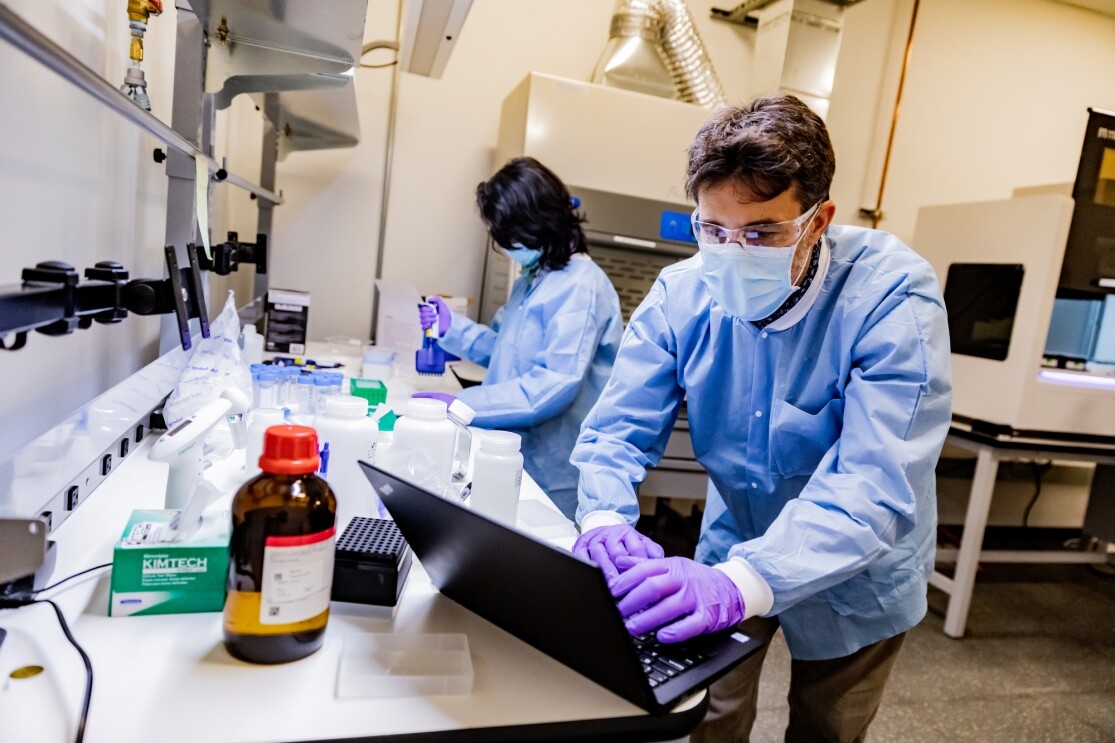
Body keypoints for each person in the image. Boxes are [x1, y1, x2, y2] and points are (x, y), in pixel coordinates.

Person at [570, 95, 953, 742]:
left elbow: (871, 484)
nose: (730, 253)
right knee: (710, 712)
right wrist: (604, 515)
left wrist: (743, 582)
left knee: (826, 723)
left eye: (761, 232)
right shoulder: (682, 293)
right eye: (712, 230)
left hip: (858, 566)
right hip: (736, 528)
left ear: (817, 220)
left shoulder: (891, 296)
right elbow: (615, 428)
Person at [418, 156, 623, 520]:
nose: (507, 243)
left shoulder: (580, 286)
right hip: (514, 451)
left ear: (539, 223)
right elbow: (504, 351)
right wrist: (453, 328)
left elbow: (552, 385)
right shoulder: (533, 279)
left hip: (553, 465)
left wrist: (462, 405)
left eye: (511, 234)